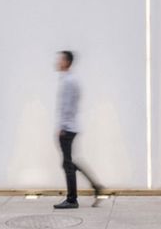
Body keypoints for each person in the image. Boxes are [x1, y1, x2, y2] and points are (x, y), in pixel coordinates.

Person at [54, 50, 103, 209]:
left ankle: (72, 199)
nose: (58, 62)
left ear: (67, 62)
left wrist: (62, 127)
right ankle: (96, 187)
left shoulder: (69, 81)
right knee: (68, 163)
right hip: (71, 126)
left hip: (67, 128)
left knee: (68, 164)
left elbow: (67, 107)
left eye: (61, 60)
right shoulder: (70, 79)